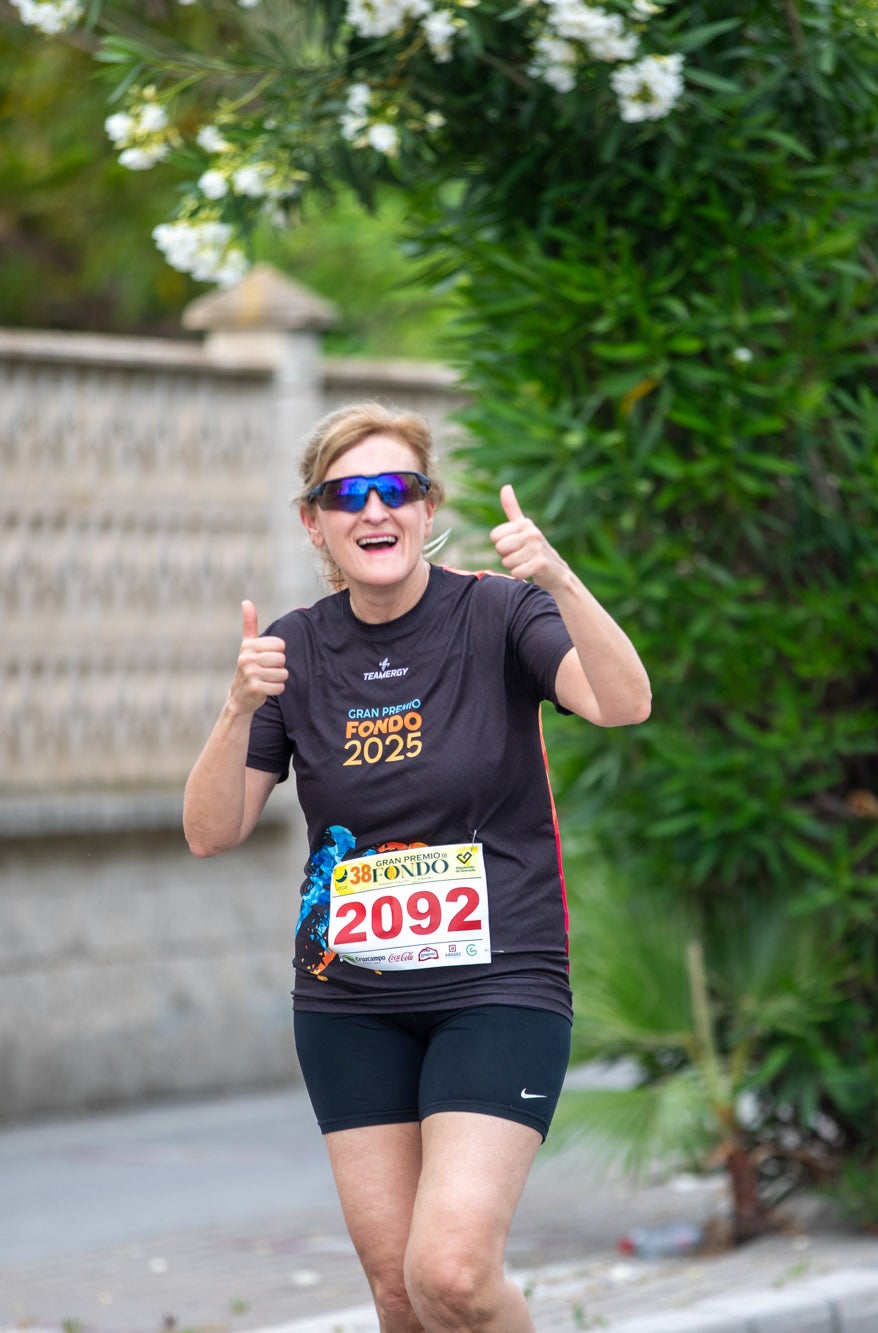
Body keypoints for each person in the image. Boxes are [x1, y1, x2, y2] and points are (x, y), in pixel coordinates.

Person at [183, 402, 651, 1333]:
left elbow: (622, 702)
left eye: (397, 487)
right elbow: (211, 830)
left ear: (428, 506)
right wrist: (237, 709)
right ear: (313, 521)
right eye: (346, 494)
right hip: (350, 1002)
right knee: (400, 1297)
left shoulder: (500, 612)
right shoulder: (296, 650)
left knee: (452, 1275)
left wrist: (559, 579)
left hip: (498, 986)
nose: (375, 509)